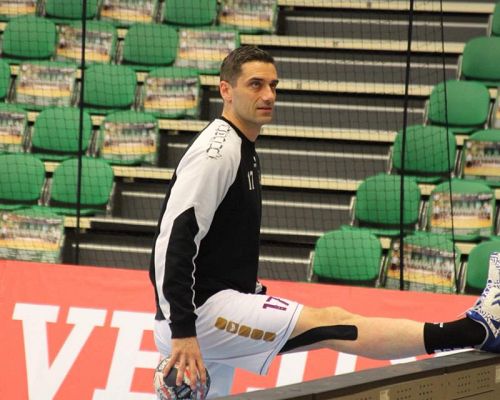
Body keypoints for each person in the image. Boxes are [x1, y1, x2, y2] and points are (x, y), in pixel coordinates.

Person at [149, 45, 500, 398]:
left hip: (210, 308)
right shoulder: (217, 153)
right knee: (333, 324)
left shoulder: (241, 146)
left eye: (273, 85)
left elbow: (218, 240)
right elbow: (173, 240)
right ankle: (475, 331)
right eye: (255, 84)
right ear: (225, 90)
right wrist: (183, 329)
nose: (268, 95)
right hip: (201, 315)